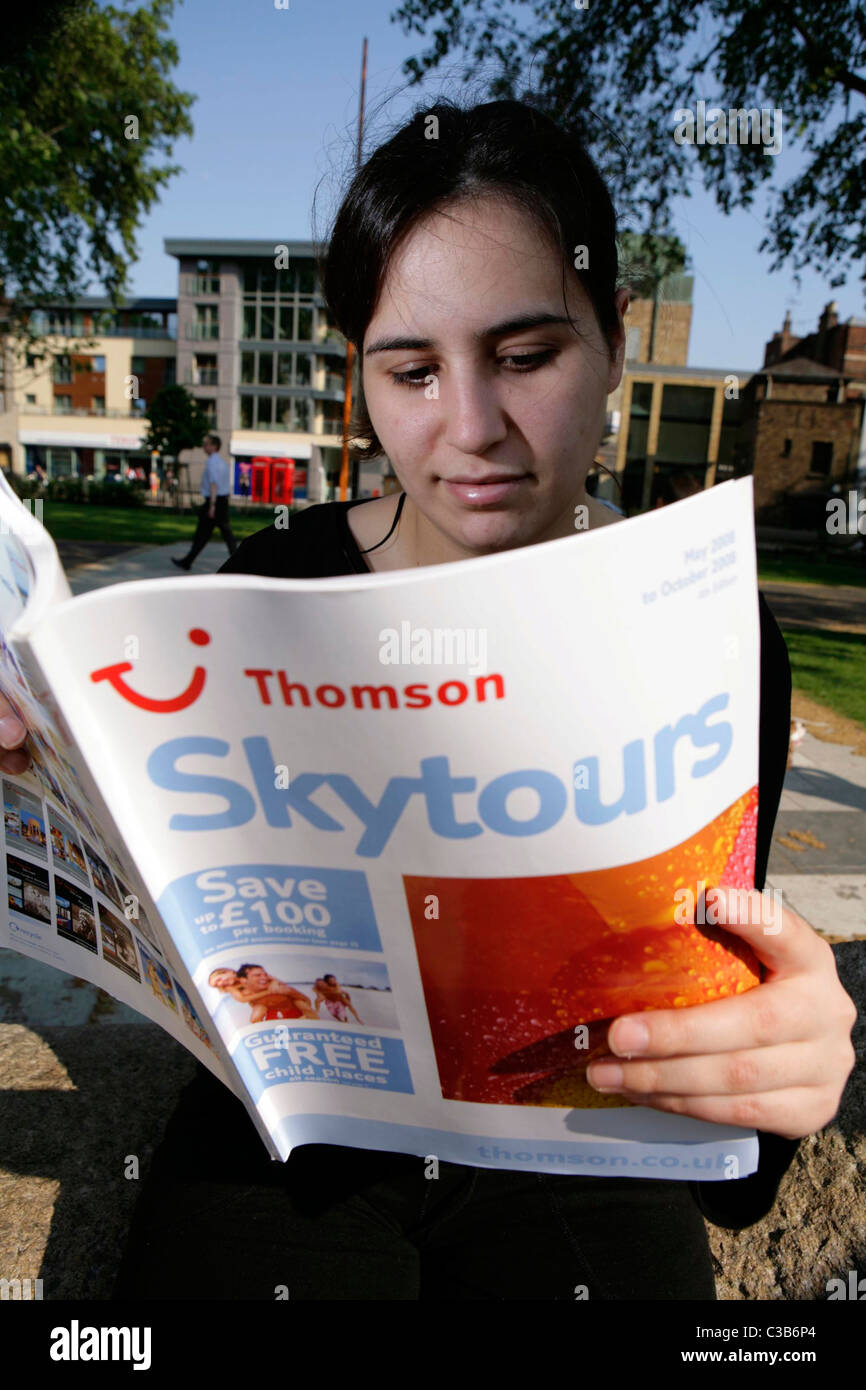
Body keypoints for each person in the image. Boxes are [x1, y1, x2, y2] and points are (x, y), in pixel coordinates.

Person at [0, 96, 855, 1302]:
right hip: (293, 1148)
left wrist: (780, 1066)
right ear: (360, 377)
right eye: (410, 370)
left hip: (580, 1146)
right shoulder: (270, 586)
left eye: (523, 356)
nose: (469, 432)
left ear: (611, 342)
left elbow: (724, 1036)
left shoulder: (705, 631)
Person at [171, 433, 238, 570]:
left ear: (214, 446)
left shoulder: (212, 462)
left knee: (206, 533)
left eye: (206, 444)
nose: (204, 447)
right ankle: (187, 561)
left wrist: (212, 506)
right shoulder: (222, 462)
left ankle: (187, 561)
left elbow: (214, 484)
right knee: (220, 534)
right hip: (221, 501)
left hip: (214, 502)